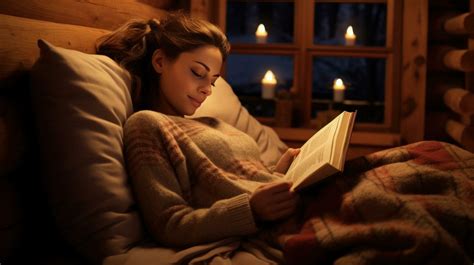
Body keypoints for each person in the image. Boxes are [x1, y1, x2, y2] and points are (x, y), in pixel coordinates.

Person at [96, 12, 300, 262]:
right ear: (160, 62)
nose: (207, 89)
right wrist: (251, 211)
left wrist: (278, 173)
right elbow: (171, 223)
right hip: (276, 228)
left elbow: (238, 180)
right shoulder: (147, 126)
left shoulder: (212, 123)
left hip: (293, 206)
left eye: (213, 81)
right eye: (197, 72)